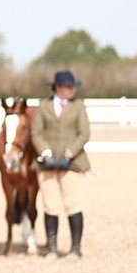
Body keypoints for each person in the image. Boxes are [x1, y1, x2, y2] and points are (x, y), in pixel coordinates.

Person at [31, 70, 90, 259]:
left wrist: (69, 153)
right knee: (50, 205)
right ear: (57, 87)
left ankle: (75, 248)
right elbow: (36, 133)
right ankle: (52, 248)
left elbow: (84, 133)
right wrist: (46, 154)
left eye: (73, 87)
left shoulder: (79, 106)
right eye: (68, 86)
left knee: (73, 204)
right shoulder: (44, 105)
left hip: (71, 164)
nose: (72, 90)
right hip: (47, 165)